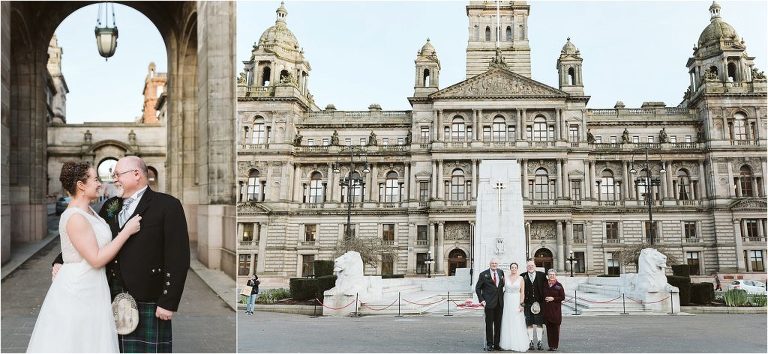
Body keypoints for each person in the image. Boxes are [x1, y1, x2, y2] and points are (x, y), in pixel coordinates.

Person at [52, 156, 190, 353]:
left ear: (136, 174)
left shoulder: (167, 205)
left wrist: (169, 302)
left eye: (118, 174)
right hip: (109, 294)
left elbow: (179, 256)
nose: (114, 179)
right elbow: (92, 240)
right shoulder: (110, 206)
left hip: (148, 295)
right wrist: (61, 260)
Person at [28, 162, 142, 352]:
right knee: (77, 342)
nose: (100, 183)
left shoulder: (90, 212)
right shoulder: (75, 217)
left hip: (93, 285)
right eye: (95, 179)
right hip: (79, 289)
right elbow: (96, 258)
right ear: (81, 185)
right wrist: (127, 231)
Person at [476, 258, 505, 351]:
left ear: (498, 264)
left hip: (499, 303)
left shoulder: (501, 273)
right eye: (492, 263)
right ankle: (489, 344)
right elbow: (478, 288)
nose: (494, 264)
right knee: (489, 324)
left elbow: (502, 286)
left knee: (498, 325)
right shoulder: (483, 274)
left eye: (496, 263)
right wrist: (482, 300)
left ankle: (497, 344)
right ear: (490, 264)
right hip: (488, 304)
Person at [499, 263, 529, 352]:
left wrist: (521, 304)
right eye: (512, 267)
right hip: (507, 300)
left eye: (515, 267)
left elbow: (522, 292)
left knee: (517, 321)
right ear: (510, 268)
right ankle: (506, 343)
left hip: (516, 301)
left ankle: (517, 342)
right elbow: (500, 288)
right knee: (507, 320)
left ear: (517, 268)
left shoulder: (521, 279)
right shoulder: (505, 278)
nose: (513, 269)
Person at [521, 259, 547, 351]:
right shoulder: (522, 276)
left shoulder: (542, 275)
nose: (530, 267)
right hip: (527, 303)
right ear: (526, 267)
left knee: (539, 323)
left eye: (532, 265)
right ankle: (530, 341)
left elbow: (546, 288)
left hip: (539, 303)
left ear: (535, 266)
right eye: (529, 266)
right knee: (529, 323)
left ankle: (539, 341)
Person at [542, 269, 565, 351]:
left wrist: (553, 298)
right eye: (550, 274)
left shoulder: (559, 286)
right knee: (549, 329)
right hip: (547, 310)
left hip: (555, 311)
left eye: (553, 274)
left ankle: (555, 345)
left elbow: (562, 297)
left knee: (555, 329)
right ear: (548, 275)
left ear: (555, 275)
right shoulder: (545, 284)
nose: (551, 276)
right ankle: (550, 345)